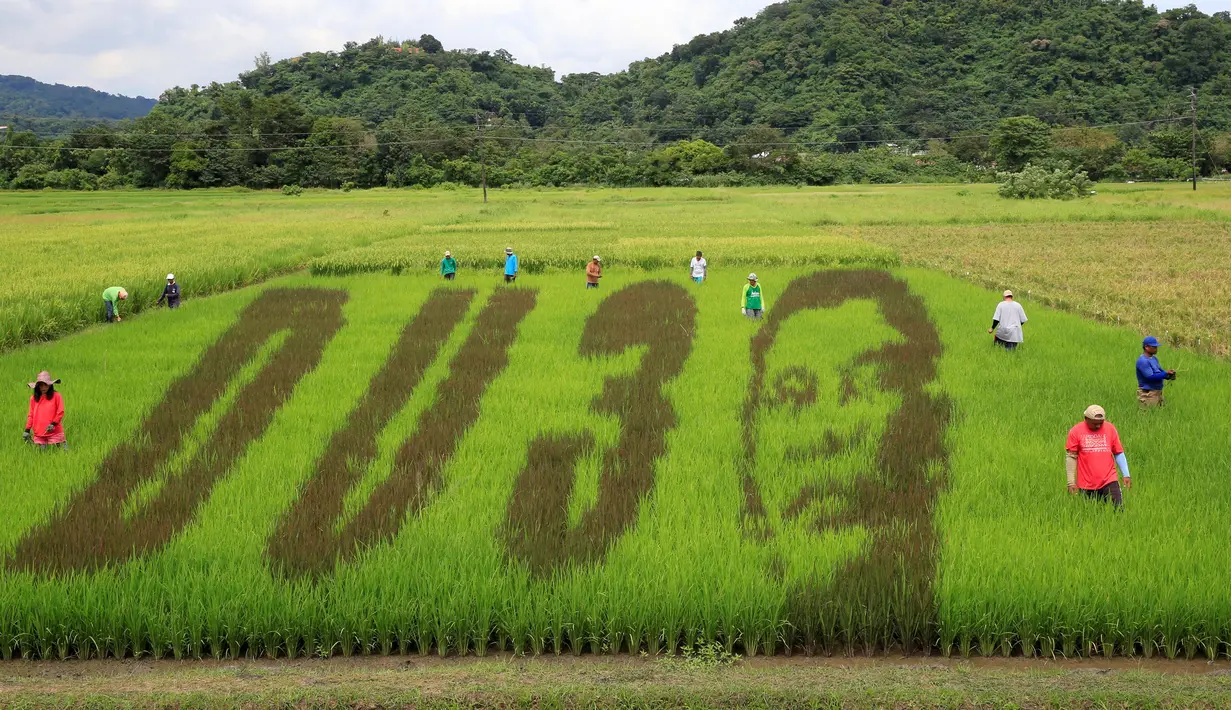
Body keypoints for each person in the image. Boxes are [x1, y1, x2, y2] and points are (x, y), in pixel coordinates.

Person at [1065, 405, 1131, 507]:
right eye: (1095, 424)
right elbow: (1071, 457)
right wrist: (1071, 482)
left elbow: (1118, 452)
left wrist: (1126, 474)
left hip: (1109, 479)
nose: (1098, 426)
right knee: (1090, 514)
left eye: (1101, 423)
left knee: (1118, 510)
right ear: (1086, 419)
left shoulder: (1110, 429)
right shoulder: (1076, 431)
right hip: (1086, 483)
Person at [23, 371, 67, 450]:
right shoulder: (33, 399)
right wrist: (27, 430)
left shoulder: (56, 396)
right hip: (39, 433)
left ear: (50, 385)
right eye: (41, 385)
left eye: (45, 385)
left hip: (54, 431)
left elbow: (60, 412)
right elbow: (31, 415)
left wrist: (53, 424)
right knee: (42, 455)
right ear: (37, 386)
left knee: (61, 452)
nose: (43, 388)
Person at [1136, 336, 1175, 408]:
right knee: (1148, 415)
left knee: (1159, 414)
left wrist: (1168, 375)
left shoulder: (1154, 358)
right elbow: (1150, 377)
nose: (1156, 349)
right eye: (1154, 347)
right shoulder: (1143, 361)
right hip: (1148, 394)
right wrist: (1165, 374)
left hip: (1157, 392)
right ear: (1146, 347)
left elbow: (1159, 371)